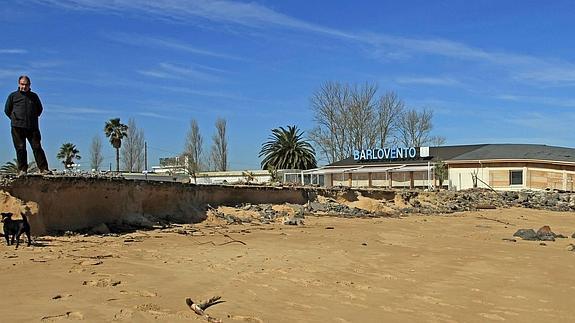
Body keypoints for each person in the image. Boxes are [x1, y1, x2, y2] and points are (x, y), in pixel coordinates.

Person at [4, 75, 50, 175]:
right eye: (22, 84)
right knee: (20, 148)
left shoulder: (34, 96)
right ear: (18, 84)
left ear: (29, 85)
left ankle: (44, 169)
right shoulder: (13, 96)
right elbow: (7, 110)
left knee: (37, 147)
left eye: (26, 84)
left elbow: (39, 109)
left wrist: (32, 118)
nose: (24, 86)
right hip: (17, 126)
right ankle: (22, 170)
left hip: (32, 126)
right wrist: (15, 119)